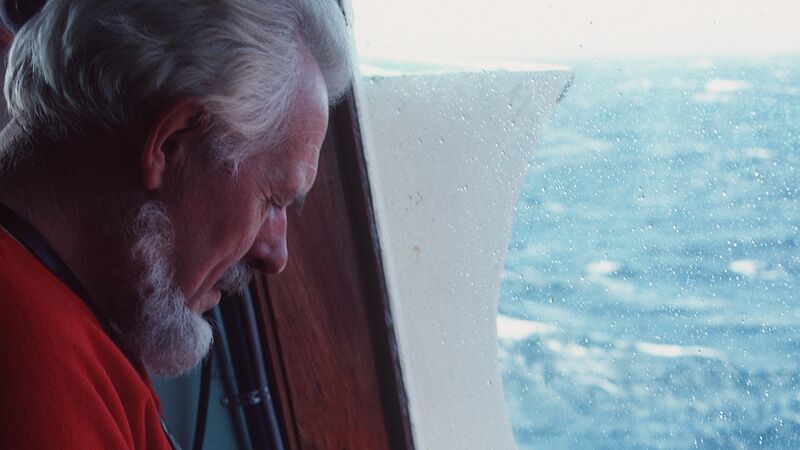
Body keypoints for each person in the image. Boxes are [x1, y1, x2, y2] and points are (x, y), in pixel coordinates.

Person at [0, 0, 352, 448]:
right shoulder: (37, 374)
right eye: (272, 201)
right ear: (170, 144)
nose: (275, 254)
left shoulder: (69, 314)